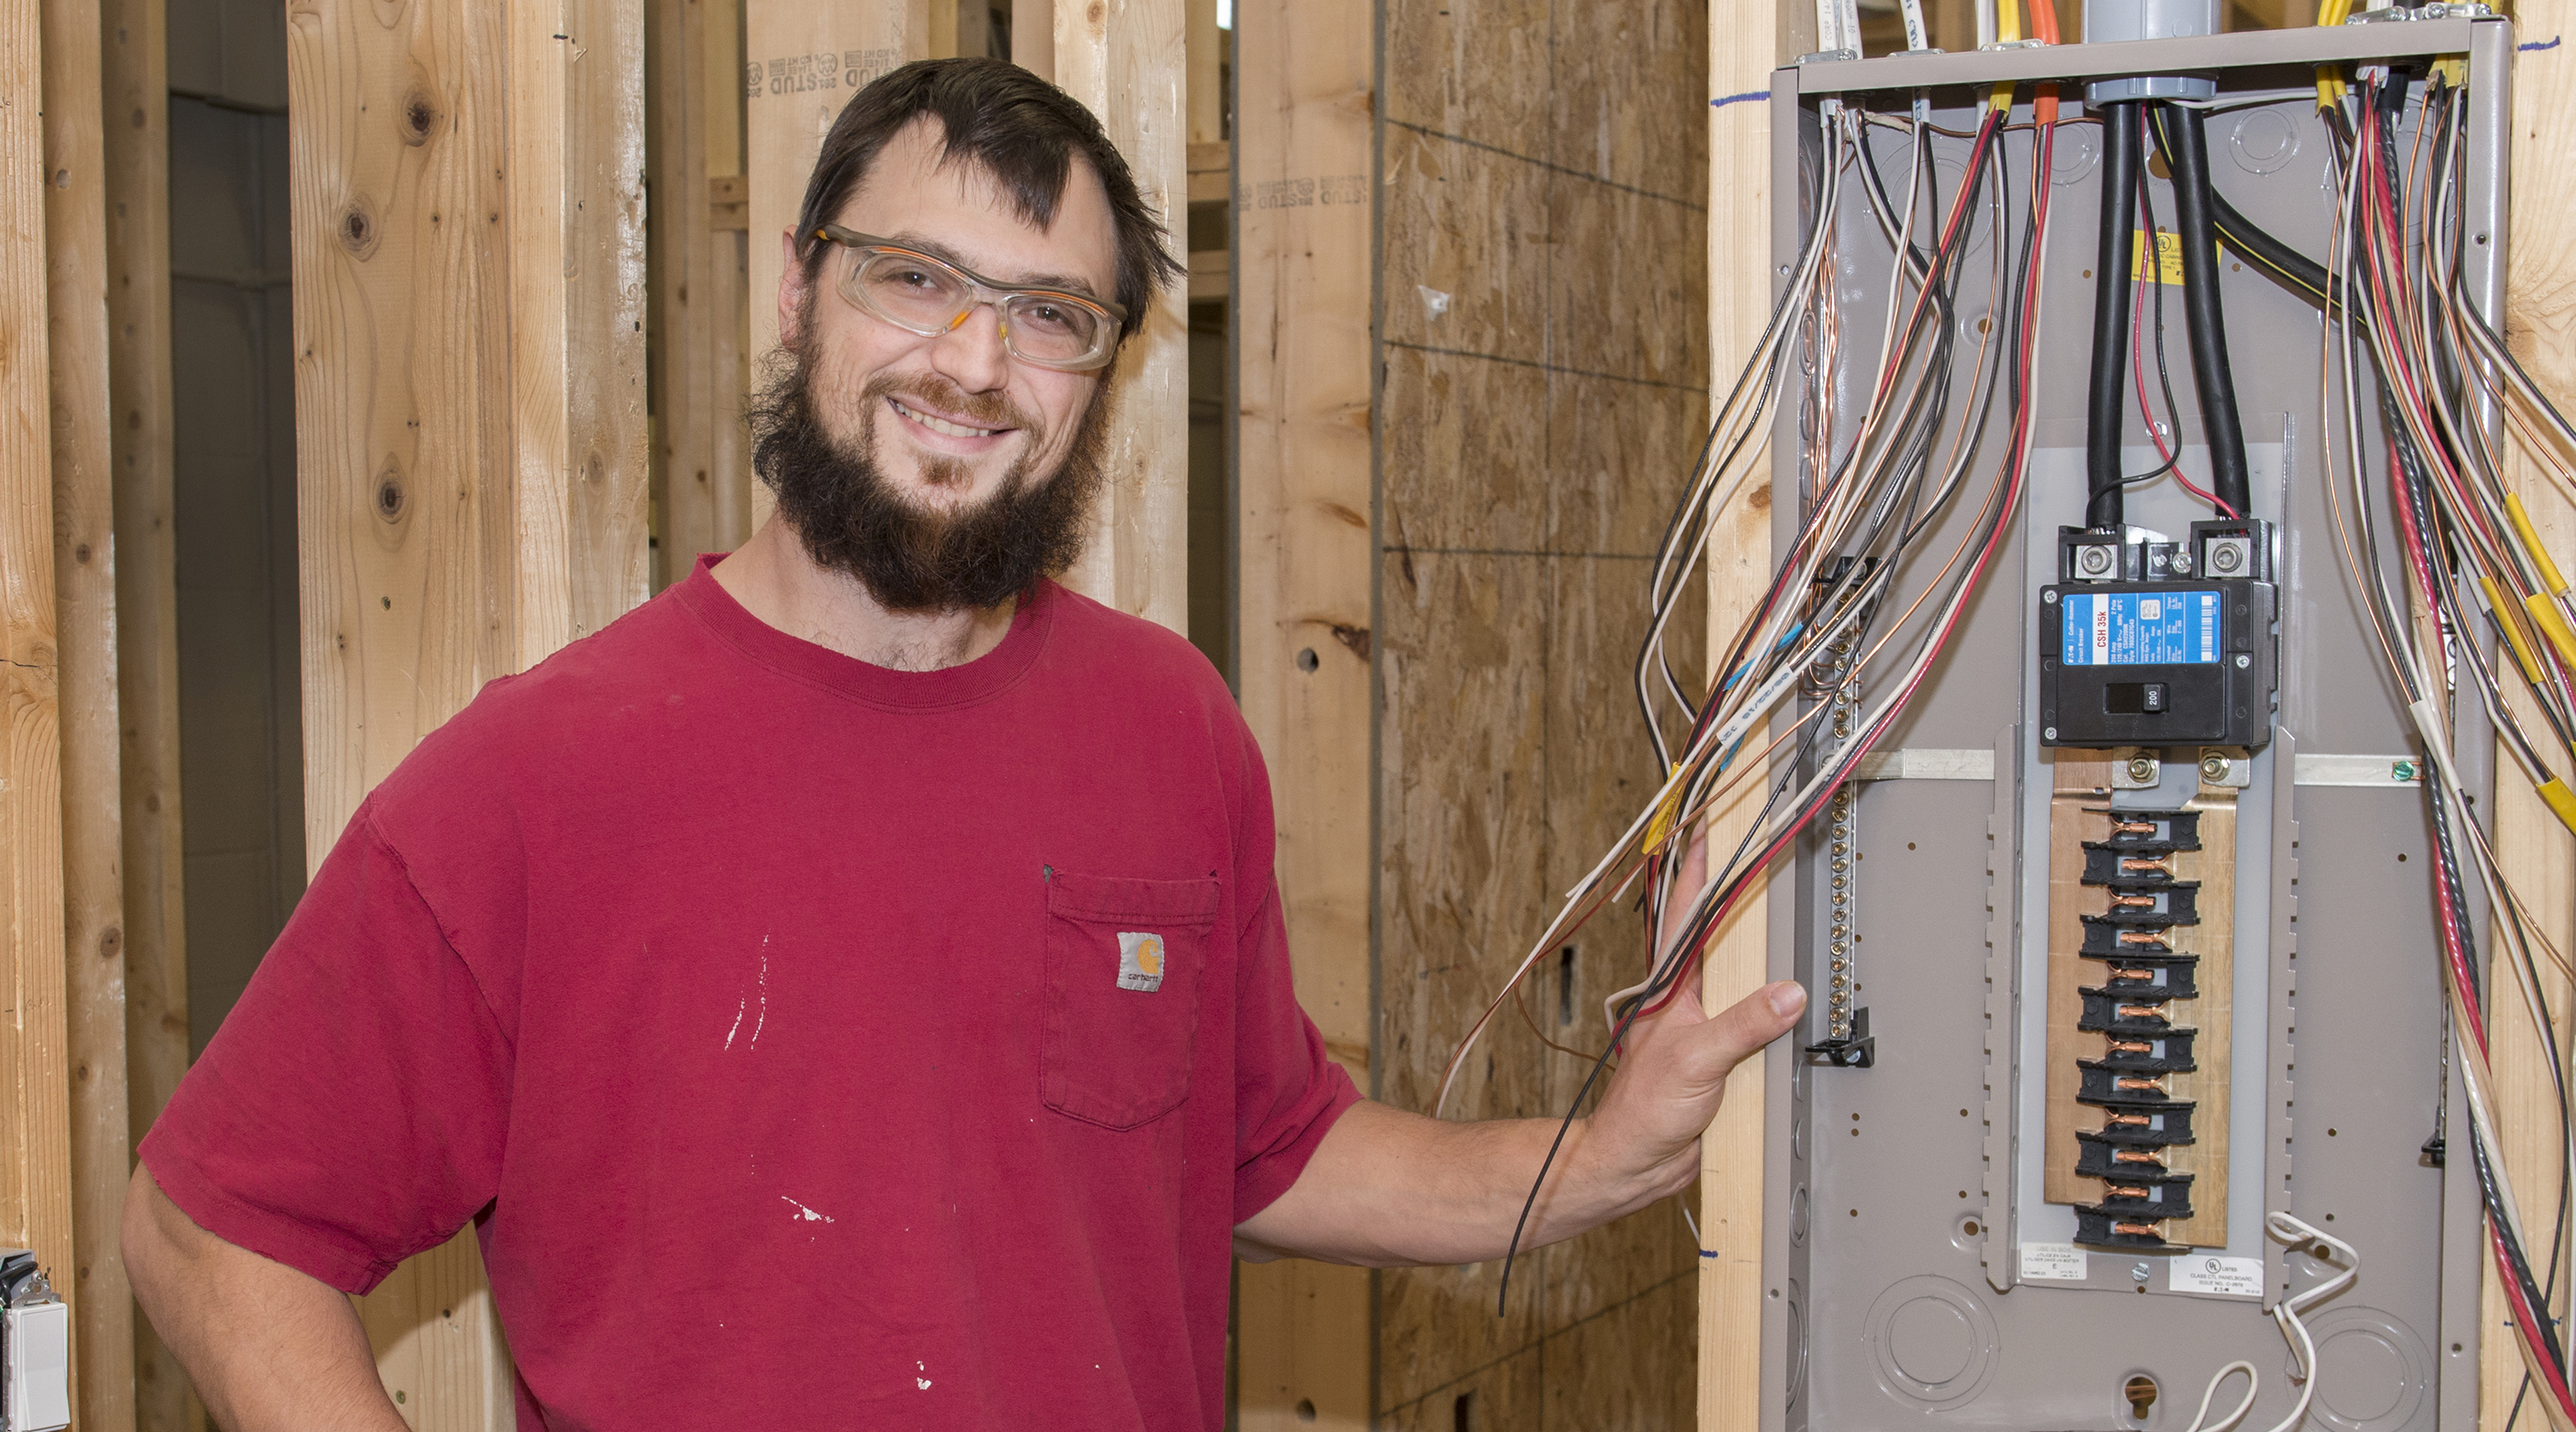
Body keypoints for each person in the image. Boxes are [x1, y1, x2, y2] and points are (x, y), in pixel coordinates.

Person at [120, 56, 1804, 1431]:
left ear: (1102, 375)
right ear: (802, 292)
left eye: (1052, 314)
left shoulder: (1172, 728)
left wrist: (1596, 1162)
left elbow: (1270, 1149)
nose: (974, 361)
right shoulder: (538, 782)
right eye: (915, 280)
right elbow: (212, 1227)